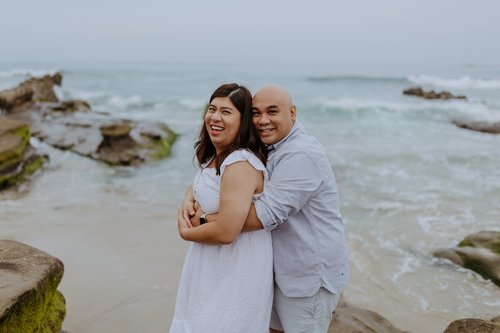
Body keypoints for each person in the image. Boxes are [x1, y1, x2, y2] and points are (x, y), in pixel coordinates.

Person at [183, 85, 349, 333]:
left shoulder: (301, 155)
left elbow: (263, 214)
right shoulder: (269, 147)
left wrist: (202, 220)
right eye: (256, 113)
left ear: (292, 113)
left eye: (272, 112)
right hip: (276, 272)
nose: (262, 121)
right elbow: (218, 176)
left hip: (306, 277)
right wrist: (190, 194)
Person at [169, 83, 273, 333]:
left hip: (236, 266)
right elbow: (205, 185)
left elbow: (227, 231)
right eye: (212, 109)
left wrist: (188, 230)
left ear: (243, 121)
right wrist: (188, 196)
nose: (215, 117)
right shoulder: (217, 156)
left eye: (226, 112)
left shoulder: (240, 162)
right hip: (213, 264)